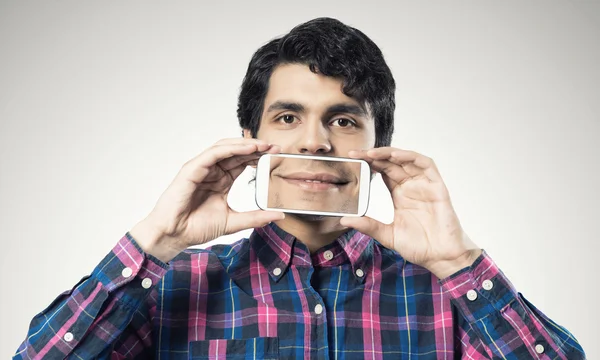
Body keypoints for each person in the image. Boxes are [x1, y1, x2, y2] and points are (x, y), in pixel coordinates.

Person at [14, 17, 586, 359]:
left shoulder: (450, 295)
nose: (314, 143)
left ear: (378, 145)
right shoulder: (169, 286)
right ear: (249, 139)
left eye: (342, 120)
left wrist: (460, 261)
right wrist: (154, 242)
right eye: (288, 117)